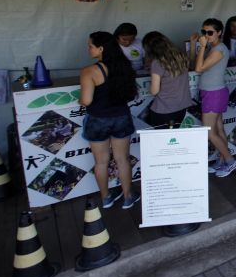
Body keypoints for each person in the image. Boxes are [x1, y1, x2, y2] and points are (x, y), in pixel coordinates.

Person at [79, 31, 139, 209]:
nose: (88, 49)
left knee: (101, 162)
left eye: (90, 46)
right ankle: (128, 196)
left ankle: (106, 198)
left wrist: (80, 100)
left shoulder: (89, 71)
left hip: (98, 120)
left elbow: (86, 100)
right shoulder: (124, 66)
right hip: (121, 117)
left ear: (101, 48)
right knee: (123, 159)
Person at [191, 18, 236, 178]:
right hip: (212, 92)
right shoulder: (213, 48)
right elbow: (194, 64)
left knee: (210, 132)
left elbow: (198, 68)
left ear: (219, 32)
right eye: (204, 32)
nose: (206, 35)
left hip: (213, 93)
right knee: (218, 129)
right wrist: (194, 45)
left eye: (210, 32)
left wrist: (202, 45)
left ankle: (230, 161)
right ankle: (223, 159)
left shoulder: (219, 49)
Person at [142, 32, 193, 128]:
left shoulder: (157, 63)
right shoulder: (181, 56)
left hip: (164, 108)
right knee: (177, 139)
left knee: (164, 141)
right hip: (182, 106)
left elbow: (154, 91)